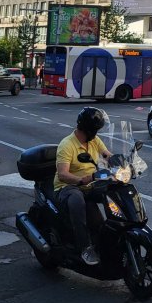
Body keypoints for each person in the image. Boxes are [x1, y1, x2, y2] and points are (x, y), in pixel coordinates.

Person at [54, 107, 111, 266]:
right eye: (96, 130)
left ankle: (113, 235)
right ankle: (84, 246)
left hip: (90, 184)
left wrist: (122, 162)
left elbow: (107, 155)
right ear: (88, 129)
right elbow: (62, 174)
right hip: (67, 187)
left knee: (113, 191)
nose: (97, 133)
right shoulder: (67, 145)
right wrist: (81, 180)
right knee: (77, 199)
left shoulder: (93, 140)